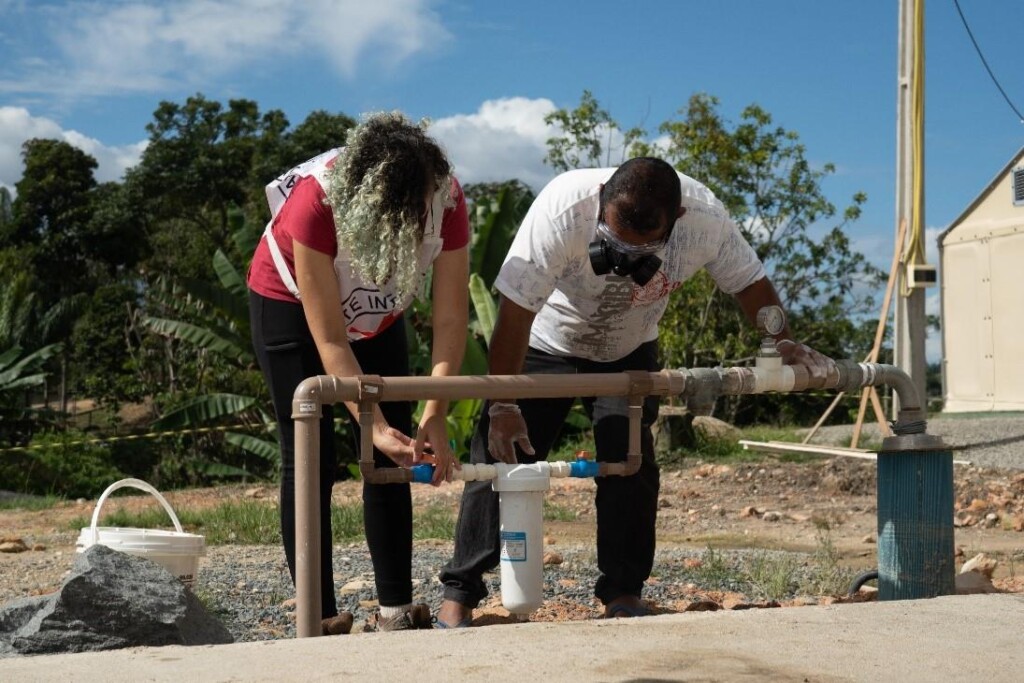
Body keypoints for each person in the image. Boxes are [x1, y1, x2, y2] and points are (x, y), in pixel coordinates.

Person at [436, 156, 833, 627]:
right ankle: (459, 595)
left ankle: (623, 593)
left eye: (639, 249)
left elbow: (751, 285)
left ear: (677, 219)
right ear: (601, 196)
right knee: (498, 458)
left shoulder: (705, 219)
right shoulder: (562, 209)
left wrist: (782, 341)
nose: (622, 257)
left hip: (630, 349)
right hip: (547, 343)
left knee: (630, 465)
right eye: (613, 240)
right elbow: (516, 313)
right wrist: (503, 403)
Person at [247, 112, 469, 634]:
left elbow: (450, 317)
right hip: (292, 303)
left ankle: (395, 608)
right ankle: (319, 615)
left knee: (395, 447)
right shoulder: (315, 201)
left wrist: (435, 411)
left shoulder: (450, 199)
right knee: (310, 454)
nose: (414, 227)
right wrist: (364, 421)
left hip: (379, 312)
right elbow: (329, 339)